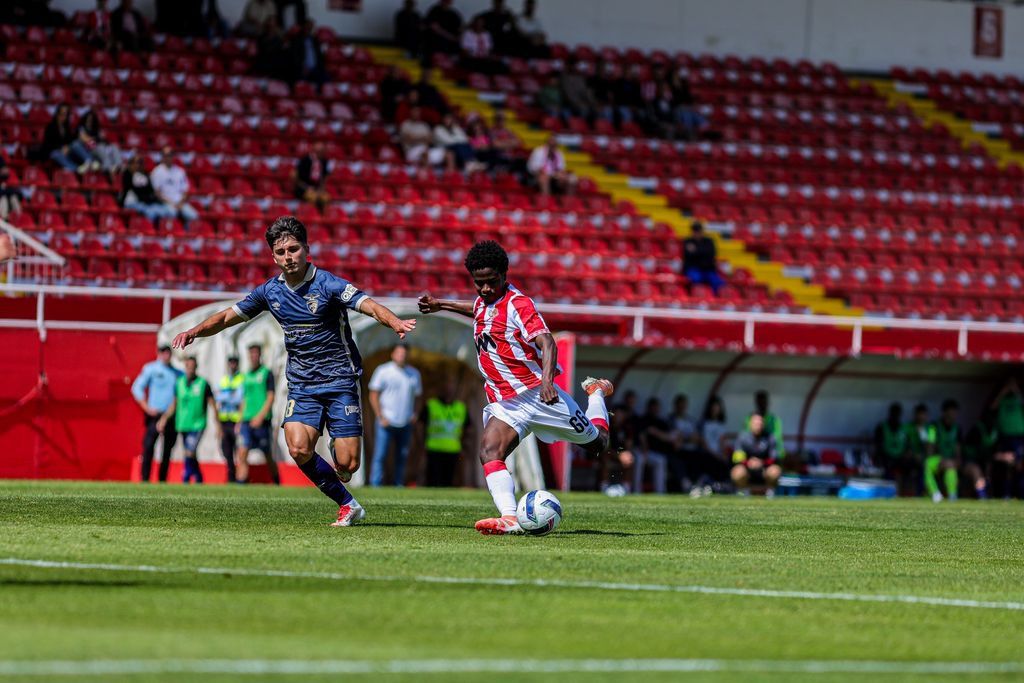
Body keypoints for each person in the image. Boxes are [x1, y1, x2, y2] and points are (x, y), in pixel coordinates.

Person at [171, 216, 416, 525]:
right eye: (281, 252)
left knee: (349, 464)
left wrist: (394, 322)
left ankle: (338, 451)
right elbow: (226, 318)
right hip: (302, 384)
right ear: (273, 257)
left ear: (306, 249)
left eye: (293, 249)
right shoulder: (269, 292)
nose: (288, 257)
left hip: (340, 379)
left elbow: (368, 305)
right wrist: (194, 331)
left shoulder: (328, 284)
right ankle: (348, 504)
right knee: (299, 449)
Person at [418, 240, 615, 534]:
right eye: (479, 283)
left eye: (492, 281)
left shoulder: (518, 304)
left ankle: (596, 393)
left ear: (504, 275)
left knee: (598, 443)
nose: (486, 289)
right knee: (489, 451)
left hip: (539, 396)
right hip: (506, 402)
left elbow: (547, 341)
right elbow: (477, 309)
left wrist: (547, 382)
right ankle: (510, 518)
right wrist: (441, 305)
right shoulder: (484, 302)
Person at [368, 344, 423, 487]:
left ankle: (398, 485)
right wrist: (380, 416)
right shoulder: (383, 370)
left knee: (402, 456)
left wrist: (415, 414)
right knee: (380, 455)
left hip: (405, 422)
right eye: (399, 353)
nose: (402, 356)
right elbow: (373, 394)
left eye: (404, 354)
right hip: (385, 421)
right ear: (393, 354)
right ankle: (375, 485)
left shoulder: (414, 374)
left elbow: (418, 397)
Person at [159, 357, 220, 484]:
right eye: (188, 366)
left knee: (189, 451)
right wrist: (164, 418)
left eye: (192, 366)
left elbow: (212, 404)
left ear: (196, 367)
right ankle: (199, 478)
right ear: (185, 367)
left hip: (197, 424)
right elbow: (174, 404)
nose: (190, 369)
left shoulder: (203, 383)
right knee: (190, 453)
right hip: (183, 424)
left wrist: (217, 424)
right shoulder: (179, 383)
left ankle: (185, 477)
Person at [130, 345, 183, 483]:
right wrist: (146, 407)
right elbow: (137, 388)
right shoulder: (151, 369)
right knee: (148, 446)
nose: (166, 355)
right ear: (158, 353)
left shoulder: (178, 373)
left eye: (168, 352)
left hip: (170, 416)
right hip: (154, 415)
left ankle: (162, 480)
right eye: (163, 352)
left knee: (167, 450)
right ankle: (145, 478)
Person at [236, 344, 279, 485]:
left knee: (267, 454)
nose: (253, 356)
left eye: (256, 353)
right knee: (242, 452)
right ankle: (241, 484)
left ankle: (276, 481)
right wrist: (239, 420)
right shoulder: (245, 375)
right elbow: (244, 399)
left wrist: (260, 417)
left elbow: (271, 397)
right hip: (246, 420)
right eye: (251, 353)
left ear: (260, 355)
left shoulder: (266, 373)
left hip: (262, 421)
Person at [422, 380, 469, 487]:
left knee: (449, 480)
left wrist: (464, 445)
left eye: (451, 391)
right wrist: (422, 442)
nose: (448, 393)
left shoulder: (460, 407)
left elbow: (468, 428)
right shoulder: (431, 405)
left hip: (453, 448)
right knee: (433, 479)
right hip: (434, 447)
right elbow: (420, 425)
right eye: (446, 390)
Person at [731, 413, 780, 496]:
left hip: (764, 470)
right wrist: (749, 463)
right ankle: (743, 493)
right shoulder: (742, 438)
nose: (758, 425)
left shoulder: (770, 438)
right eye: (756, 423)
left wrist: (762, 463)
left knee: (775, 471)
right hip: (747, 470)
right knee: (738, 472)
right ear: (750, 424)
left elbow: (774, 458)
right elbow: (737, 459)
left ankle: (770, 493)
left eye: (760, 423)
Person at [42, 104, 98, 174]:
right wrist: (61, 148)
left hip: (67, 151)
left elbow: (70, 140)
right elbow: (48, 144)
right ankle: (76, 169)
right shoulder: (50, 127)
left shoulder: (67, 127)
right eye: (62, 114)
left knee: (75, 144)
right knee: (55, 154)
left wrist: (68, 147)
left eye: (66, 114)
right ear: (57, 114)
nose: (64, 116)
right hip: (56, 151)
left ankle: (90, 161)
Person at [874, 402, 915, 496]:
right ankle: (888, 493)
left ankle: (905, 493)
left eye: (897, 414)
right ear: (890, 413)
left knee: (911, 468)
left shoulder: (904, 428)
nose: (895, 416)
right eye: (894, 413)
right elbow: (878, 445)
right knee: (887, 467)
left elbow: (908, 446)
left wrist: (908, 454)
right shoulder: (882, 427)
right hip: (886, 457)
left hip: (901, 458)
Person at [121, 154, 176, 224]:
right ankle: (149, 228)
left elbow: (150, 190)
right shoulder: (127, 174)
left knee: (169, 211)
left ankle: (166, 228)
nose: (138, 165)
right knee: (151, 212)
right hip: (133, 202)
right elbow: (135, 191)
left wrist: (153, 199)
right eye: (136, 163)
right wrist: (148, 198)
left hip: (147, 201)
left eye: (140, 162)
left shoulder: (145, 175)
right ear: (131, 164)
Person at [150, 147, 199, 224]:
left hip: (180, 202)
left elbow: (185, 191)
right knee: (172, 213)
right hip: (166, 203)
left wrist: (180, 203)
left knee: (194, 215)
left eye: (170, 155)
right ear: (162, 156)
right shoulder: (156, 172)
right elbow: (157, 194)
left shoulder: (180, 171)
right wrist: (172, 204)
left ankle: (187, 231)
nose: (168, 157)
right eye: (165, 155)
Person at [216, 355, 244, 483]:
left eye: (234, 362)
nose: (232, 365)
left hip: (236, 420)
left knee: (239, 450)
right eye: (231, 362)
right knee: (226, 450)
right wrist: (230, 395)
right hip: (224, 420)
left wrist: (226, 396)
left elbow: (239, 399)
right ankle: (231, 476)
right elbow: (218, 398)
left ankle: (240, 477)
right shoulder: (224, 379)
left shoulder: (241, 379)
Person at [926, 399, 961, 503]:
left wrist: (957, 461)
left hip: (951, 460)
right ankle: (935, 493)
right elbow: (930, 446)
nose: (952, 416)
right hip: (937, 459)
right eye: (950, 413)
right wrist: (940, 460)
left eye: (954, 414)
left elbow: (958, 450)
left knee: (951, 466)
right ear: (944, 413)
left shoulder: (957, 429)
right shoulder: (934, 426)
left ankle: (952, 495)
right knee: (927, 464)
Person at [637, 397, 672, 494]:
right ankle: (636, 490)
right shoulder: (642, 420)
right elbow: (641, 436)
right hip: (641, 451)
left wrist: (656, 432)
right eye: (653, 407)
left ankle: (660, 492)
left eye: (656, 407)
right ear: (649, 407)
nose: (655, 409)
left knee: (661, 460)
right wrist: (644, 450)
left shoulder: (661, 422)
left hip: (654, 453)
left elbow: (669, 437)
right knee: (639, 459)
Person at [963, 409, 997, 499]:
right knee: (976, 471)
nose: (992, 421)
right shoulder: (977, 429)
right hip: (970, 460)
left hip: (984, 460)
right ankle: (982, 496)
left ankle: (991, 494)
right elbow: (976, 451)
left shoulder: (994, 431)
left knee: (989, 470)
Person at [682, 222, 724, 295]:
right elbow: (688, 254)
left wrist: (696, 251)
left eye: (698, 231)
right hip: (693, 268)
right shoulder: (687, 241)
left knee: (718, 282)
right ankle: (697, 298)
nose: (697, 233)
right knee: (696, 279)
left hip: (708, 269)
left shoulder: (709, 241)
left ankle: (714, 297)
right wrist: (703, 252)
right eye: (695, 231)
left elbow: (711, 254)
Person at [906, 403, 935, 497]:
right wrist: (913, 455)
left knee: (926, 465)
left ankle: (932, 493)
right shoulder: (908, 427)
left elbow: (930, 451)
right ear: (915, 415)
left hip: (925, 459)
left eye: (923, 415)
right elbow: (905, 447)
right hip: (910, 459)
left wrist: (922, 434)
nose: (921, 417)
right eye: (919, 414)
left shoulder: (931, 429)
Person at [289, 20, 326, 89]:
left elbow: (319, 56)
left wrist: (319, 67)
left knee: (325, 78)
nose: (308, 28)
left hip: (315, 69)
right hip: (302, 69)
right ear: (303, 27)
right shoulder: (297, 39)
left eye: (310, 27)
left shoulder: (314, 40)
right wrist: (302, 67)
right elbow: (295, 56)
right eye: (307, 26)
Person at [293, 142, 330, 211]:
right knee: (313, 197)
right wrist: (307, 188)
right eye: (319, 152)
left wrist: (321, 189)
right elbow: (295, 177)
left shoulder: (324, 161)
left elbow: (324, 178)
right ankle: (312, 214)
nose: (321, 154)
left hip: (316, 189)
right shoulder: (305, 160)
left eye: (322, 152)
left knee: (326, 198)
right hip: (303, 188)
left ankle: (325, 216)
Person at [748, 390, 785, 457]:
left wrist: (777, 454)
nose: (761, 405)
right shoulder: (749, 418)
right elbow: (746, 437)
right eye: (759, 402)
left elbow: (777, 440)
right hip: (752, 453)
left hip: (770, 453)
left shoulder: (774, 420)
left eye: (763, 402)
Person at [0, 155, 24, 220]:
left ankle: (19, 218)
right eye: (2, 169)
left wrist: (5, 191)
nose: (5, 170)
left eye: (5, 168)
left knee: (14, 198)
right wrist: (6, 191)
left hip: (11, 202)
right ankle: (4, 219)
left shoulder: (10, 176)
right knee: (3, 199)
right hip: (2, 202)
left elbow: (19, 193)